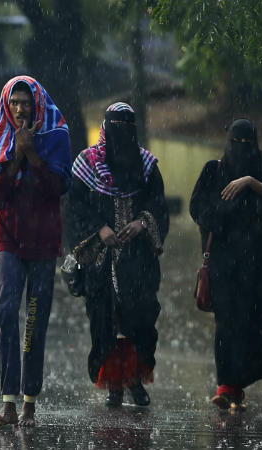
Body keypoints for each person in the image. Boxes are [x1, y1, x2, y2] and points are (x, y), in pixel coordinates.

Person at [0, 76, 72, 427]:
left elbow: (56, 188)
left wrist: (32, 151)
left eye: (25, 103)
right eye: (13, 102)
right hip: (9, 238)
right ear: (6, 105)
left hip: (44, 239)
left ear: (37, 104)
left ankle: (30, 402)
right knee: (6, 312)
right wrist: (16, 153)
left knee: (35, 318)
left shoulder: (56, 134)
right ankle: (9, 403)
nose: (19, 108)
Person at [67, 102, 169, 408]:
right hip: (100, 261)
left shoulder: (147, 167)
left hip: (138, 261)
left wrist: (141, 223)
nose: (121, 135)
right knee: (105, 321)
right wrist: (99, 230)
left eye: (127, 128)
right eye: (116, 127)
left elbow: (159, 206)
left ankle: (135, 380)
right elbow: (74, 208)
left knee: (139, 319)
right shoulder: (86, 165)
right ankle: (113, 383)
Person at [189, 118, 262, 412]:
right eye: (236, 143)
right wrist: (226, 210)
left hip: (254, 265)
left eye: (247, 145)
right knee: (227, 324)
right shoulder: (213, 170)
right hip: (222, 264)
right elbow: (199, 209)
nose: (241, 150)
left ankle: (235, 387)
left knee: (250, 324)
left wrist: (250, 183)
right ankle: (225, 385)